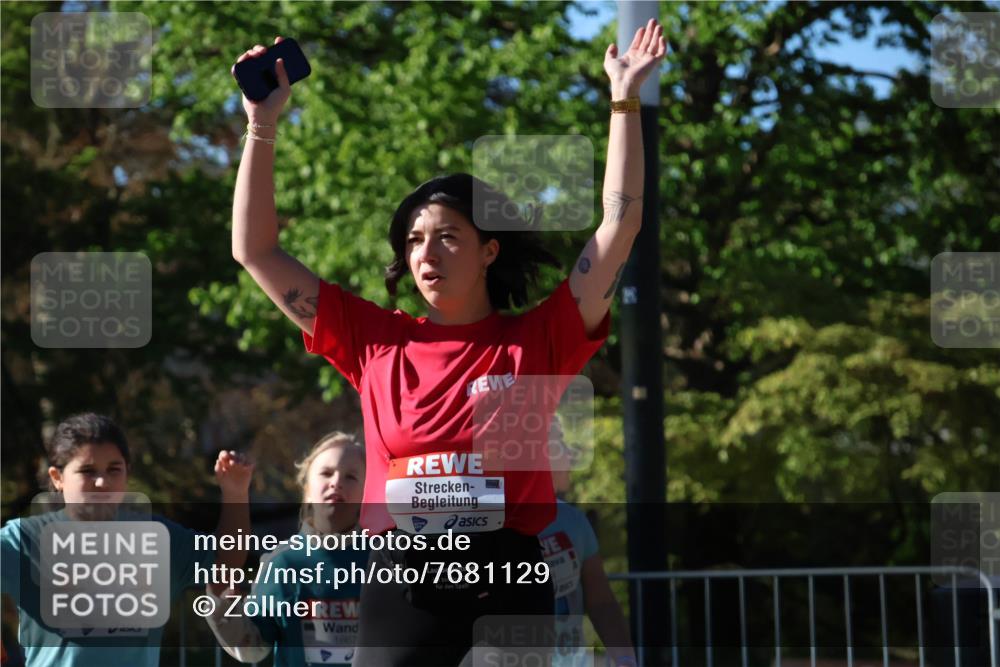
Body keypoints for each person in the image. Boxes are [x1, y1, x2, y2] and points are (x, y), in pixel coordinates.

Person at [229, 19, 666, 666]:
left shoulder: (539, 340)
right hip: (401, 581)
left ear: (490, 249)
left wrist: (623, 99)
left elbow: (619, 224)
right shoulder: (374, 340)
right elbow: (254, 250)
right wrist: (261, 124)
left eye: (447, 236)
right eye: (412, 241)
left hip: (509, 582)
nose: (425, 252)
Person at [0, 412, 253, 667]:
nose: (102, 482)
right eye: (87, 471)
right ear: (57, 478)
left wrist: (236, 492)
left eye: (114, 469)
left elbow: (225, 561)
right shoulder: (25, 539)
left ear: (127, 472)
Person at [203, 431, 368, 667]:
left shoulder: (383, 559)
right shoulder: (281, 562)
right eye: (326, 473)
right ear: (307, 489)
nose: (336, 482)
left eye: (351, 476)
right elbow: (252, 648)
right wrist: (221, 602)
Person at [541, 416, 637, 667]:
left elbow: (602, 602)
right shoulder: (488, 520)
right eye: (559, 443)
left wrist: (626, 659)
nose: (569, 455)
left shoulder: (573, 521)